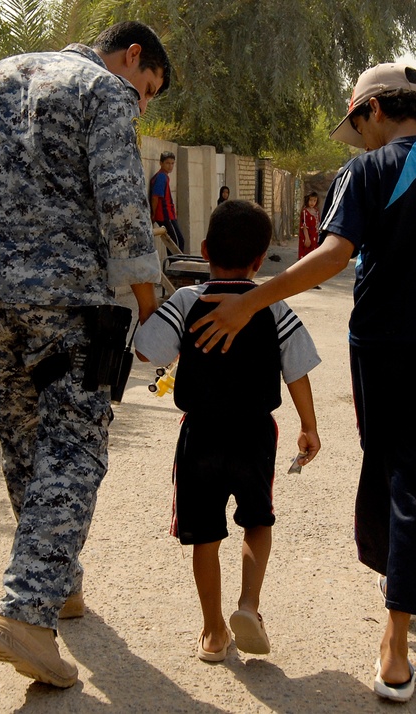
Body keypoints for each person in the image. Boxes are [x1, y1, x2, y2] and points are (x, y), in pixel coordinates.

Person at [187, 63, 416, 703]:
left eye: (354, 125)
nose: (355, 139)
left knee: (387, 465)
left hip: (379, 352)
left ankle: (396, 609)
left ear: (370, 111)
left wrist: (251, 302)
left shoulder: (364, 172)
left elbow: (334, 256)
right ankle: (397, 633)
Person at [0, 21, 171, 688]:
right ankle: (26, 614)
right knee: (74, 447)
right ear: (130, 56)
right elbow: (120, 204)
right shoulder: (103, 91)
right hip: (67, 301)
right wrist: (149, 302)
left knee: (23, 437)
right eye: (147, 88)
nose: (141, 102)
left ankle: (60, 583)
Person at [133, 199, 322, 662]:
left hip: (199, 435)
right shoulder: (271, 307)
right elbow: (297, 369)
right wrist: (308, 426)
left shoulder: (184, 302)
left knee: (205, 536)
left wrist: (146, 306)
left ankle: (214, 633)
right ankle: (249, 606)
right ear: (260, 261)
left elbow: (147, 353)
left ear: (203, 250)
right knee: (257, 521)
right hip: (255, 434)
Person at [151, 150, 187, 252]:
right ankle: (175, 265)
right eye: (167, 163)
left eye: (172, 164)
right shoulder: (161, 177)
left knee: (173, 242)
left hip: (169, 215)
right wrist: (153, 214)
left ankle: (173, 265)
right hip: (165, 215)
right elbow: (155, 197)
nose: (170, 166)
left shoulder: (164, 176)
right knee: (177, 242)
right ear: (161, 163)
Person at [298, 191, 320, 260]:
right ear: (307, 200)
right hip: (307, 237)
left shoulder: (316, 211)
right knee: (306, 255)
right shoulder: (305, 212)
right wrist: (307, 238)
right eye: (311, 200)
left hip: (315, 237)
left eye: (314, 201)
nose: (312, 203)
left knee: (314, 255)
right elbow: (304, 226)